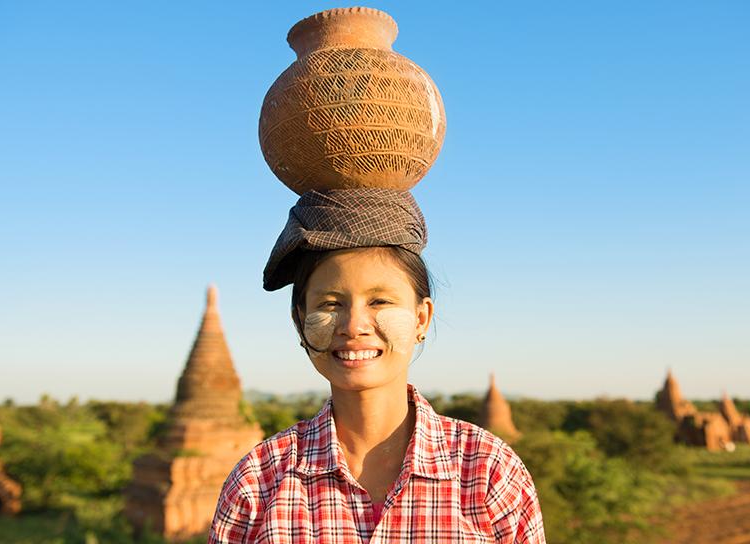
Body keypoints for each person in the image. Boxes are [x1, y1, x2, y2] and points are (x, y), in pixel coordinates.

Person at [209, 189, 546, 543]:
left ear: (421, 319)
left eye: (380, 301)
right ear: (300, 322)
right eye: (330, 304)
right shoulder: (258, 483)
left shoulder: (490, 473)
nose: (354, 326)